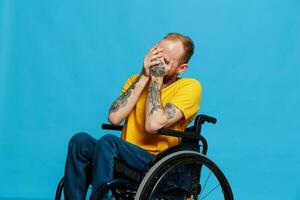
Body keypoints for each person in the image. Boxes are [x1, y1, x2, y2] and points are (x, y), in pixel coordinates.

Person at [63, 33, 202, 200]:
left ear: (181, 68)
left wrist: (156, 78)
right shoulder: (135, 80)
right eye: (157, 52)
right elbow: (114, 118)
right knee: (80, 141)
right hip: (122, 154)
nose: (157, 61)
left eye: (164, 60)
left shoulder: (190, 87)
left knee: (108, 141)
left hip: (155, 162)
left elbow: (153, 125)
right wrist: (144, 75)